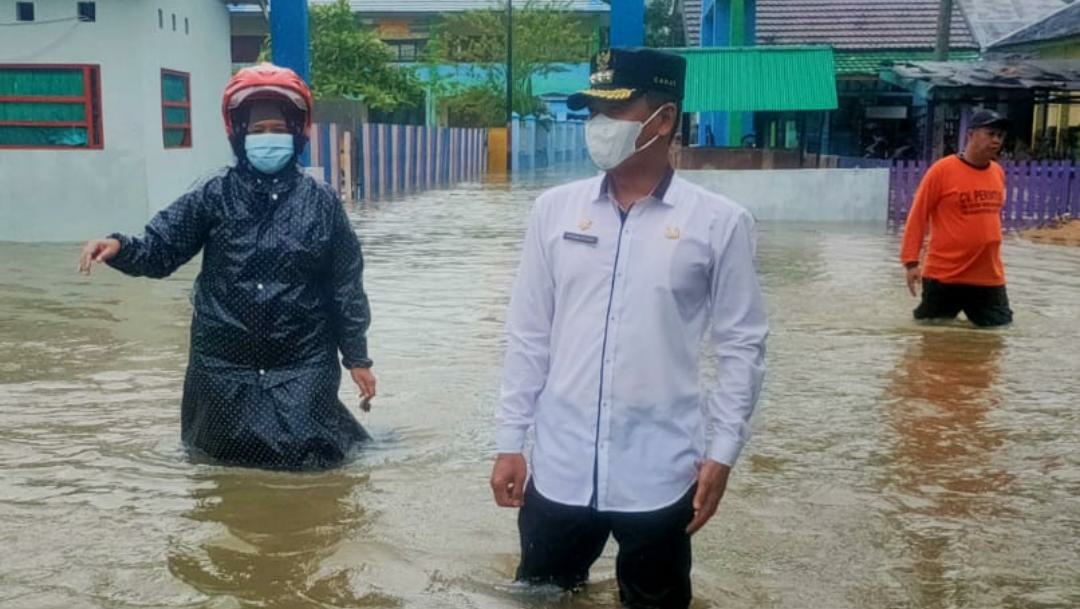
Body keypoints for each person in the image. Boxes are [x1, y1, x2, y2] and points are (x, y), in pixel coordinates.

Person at [490, 48, 768, 608]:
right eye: (591, 109)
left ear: (662, 120)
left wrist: (724, 451)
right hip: (560, 469)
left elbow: (742, 345)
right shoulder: (554, 212)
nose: (597, 126)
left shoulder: (718, 224)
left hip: (661, 474)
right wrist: (509, 441)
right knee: (541, 598)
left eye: (613, 111)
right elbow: (529, 333)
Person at [77, 63, 376, 470]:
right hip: (221, 368)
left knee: (312, 472)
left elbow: (345, 287)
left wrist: (357, 359)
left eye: (276, 128)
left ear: (297, 131)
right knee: (219, 472)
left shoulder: (322, 204)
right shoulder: (212, 196)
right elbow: (161, 249)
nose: (266, 138)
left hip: (301, 364)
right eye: (257, 130)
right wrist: (118, 247)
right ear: (237, 133)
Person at [900, 109, 1014, 328]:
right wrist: (911, 262)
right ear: (970, 135)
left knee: (999, 334)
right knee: (931, 336)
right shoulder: (942, 171)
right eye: (990, 133)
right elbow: (918, 215)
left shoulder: (998, 172)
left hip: (988, 276)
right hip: (945, 276)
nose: (996, 140)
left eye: (1000, 135)